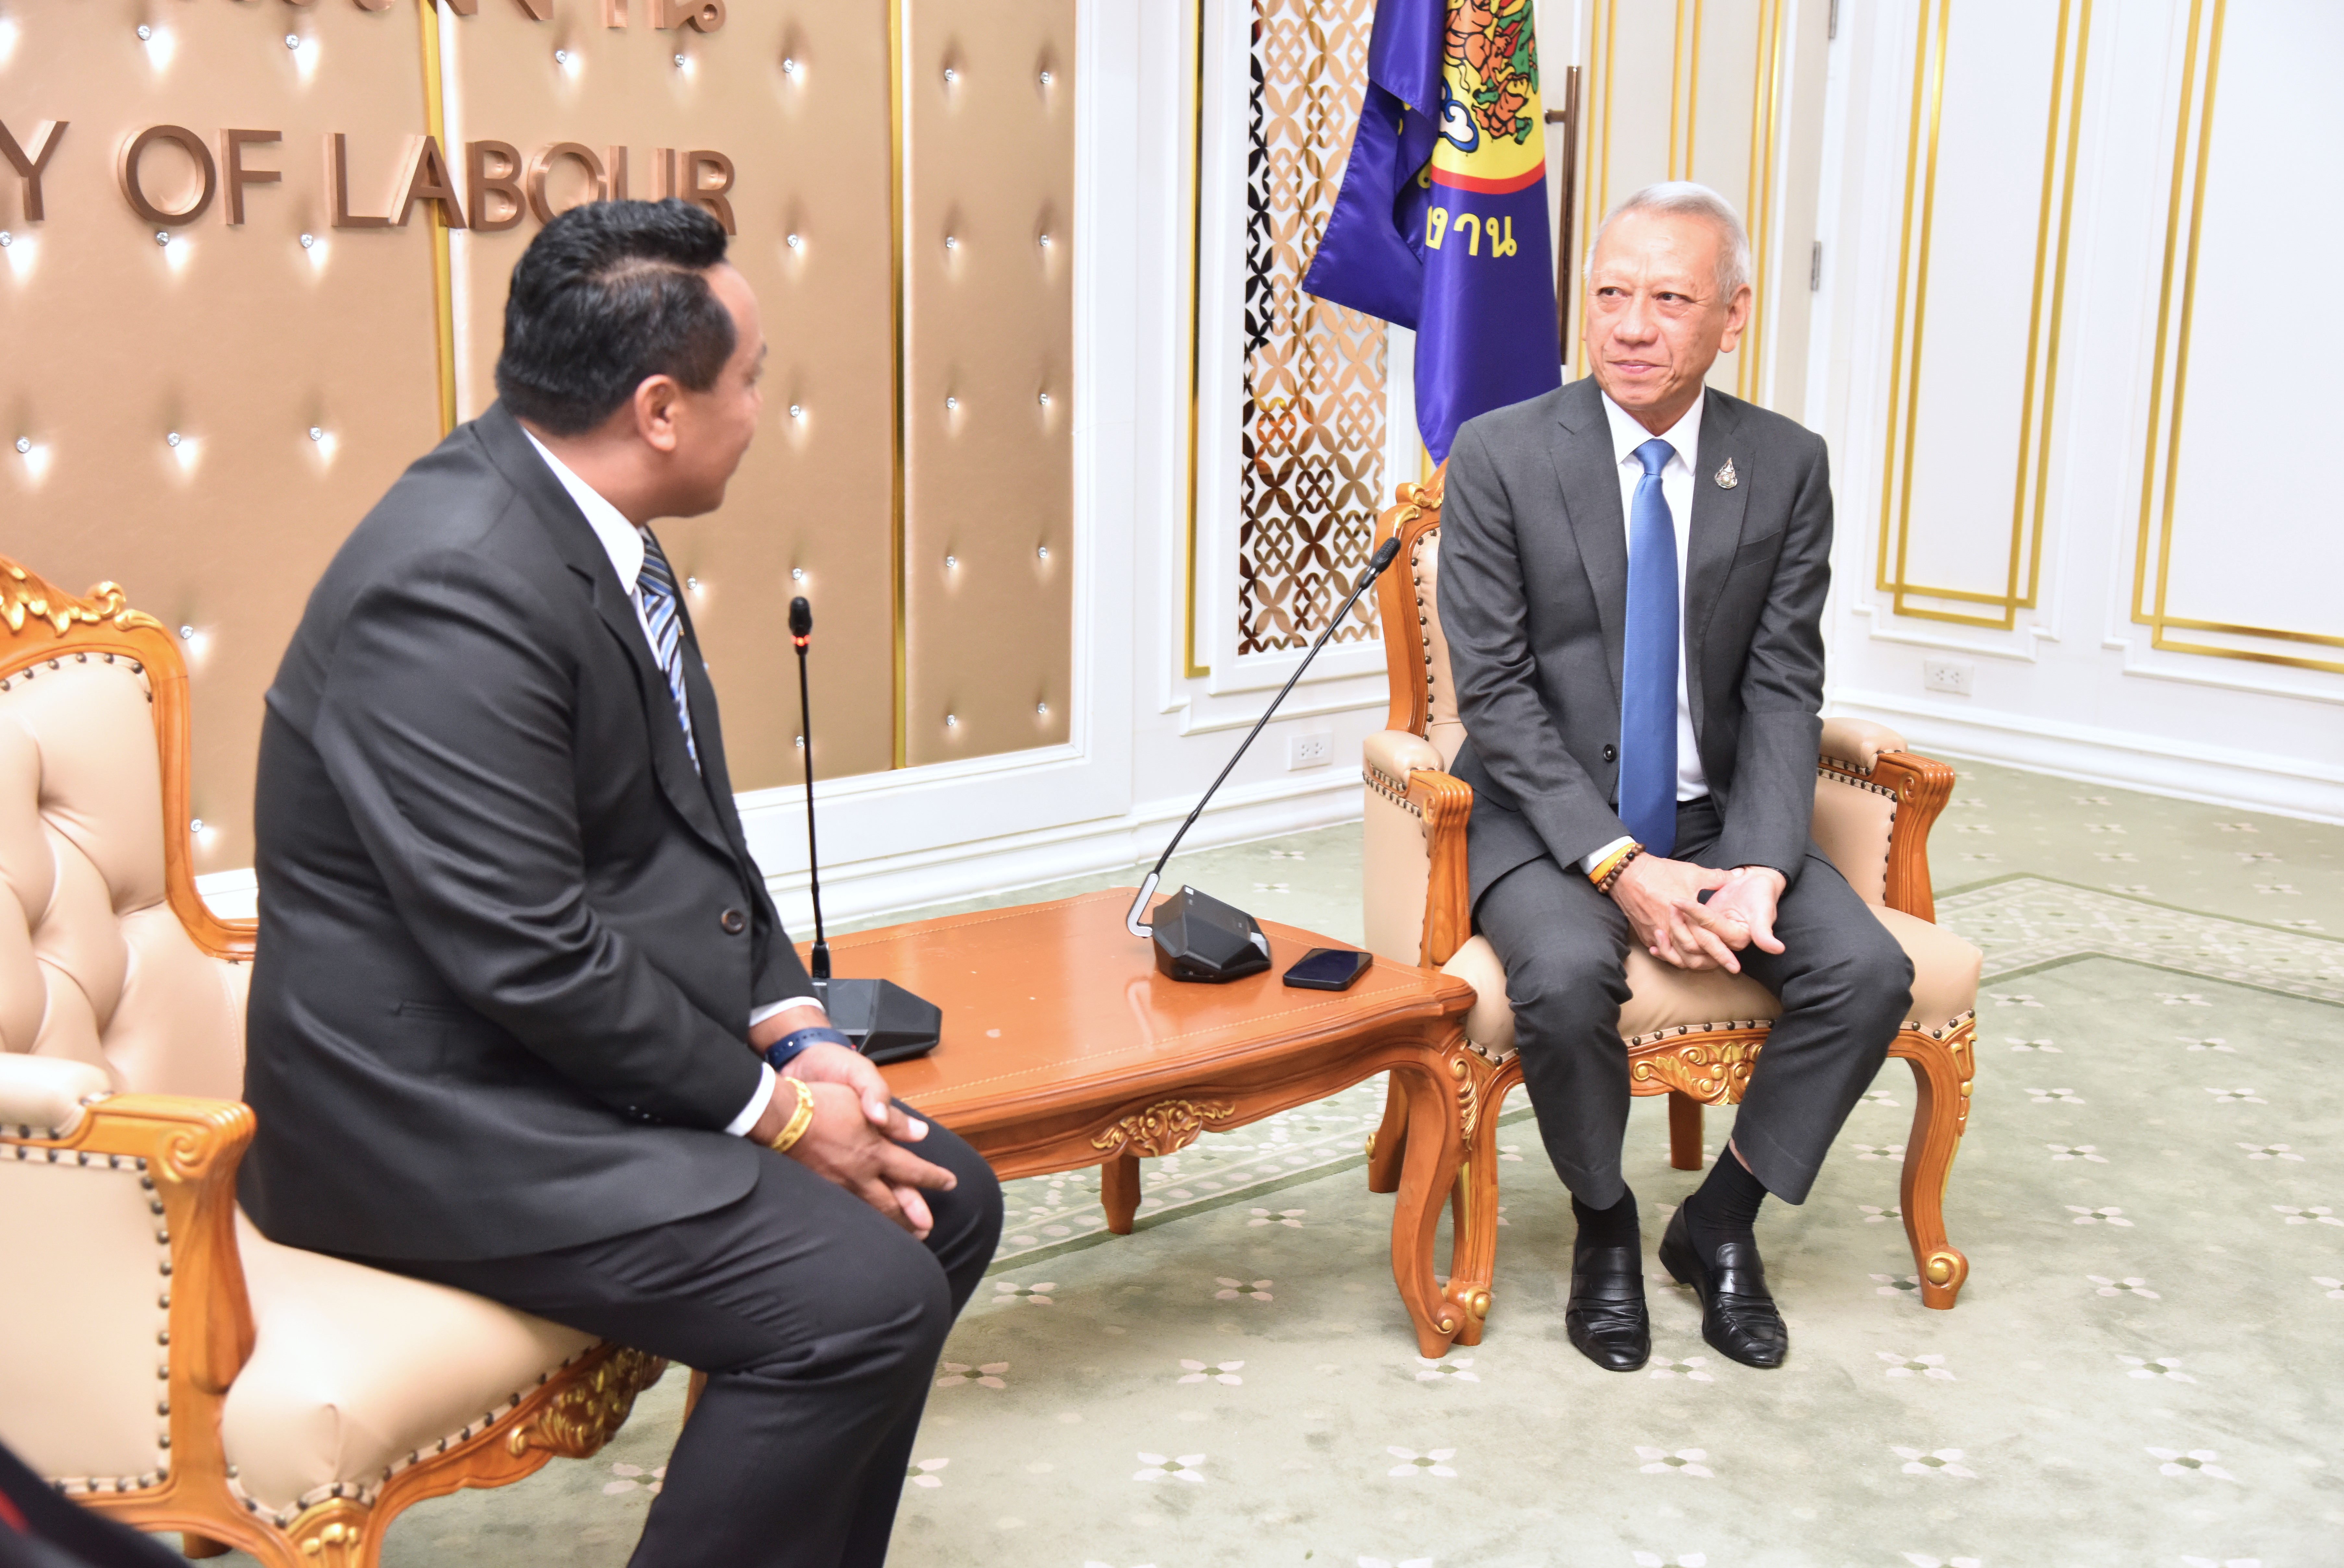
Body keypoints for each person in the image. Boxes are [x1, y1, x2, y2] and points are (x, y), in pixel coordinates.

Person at [238, 199, 1002, 1567]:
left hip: (548, 1063)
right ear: (660, 407)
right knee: (861, 1299)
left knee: (947, 1199)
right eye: (749, 380)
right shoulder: (451, 585)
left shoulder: (595, 528)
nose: (759, 411)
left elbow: (688, 830)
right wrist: (781, 1117)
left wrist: (796, 1030)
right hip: (432, 1119)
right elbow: (526, 949)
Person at [1437, 182, 1912, 1373]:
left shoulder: (1783, 464)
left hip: (1715, 811)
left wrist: (1758, 865)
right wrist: (1617, 862)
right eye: (1610, 293)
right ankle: (1604, 1223)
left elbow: (1782, 684)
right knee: (1560, 976)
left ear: (1731, 316)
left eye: (1668, 298)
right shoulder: (1499, 453)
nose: (1631, 326)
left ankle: (1719, 1222)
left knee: (1867, 972)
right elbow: (1494, 694)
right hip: (1545, 816)